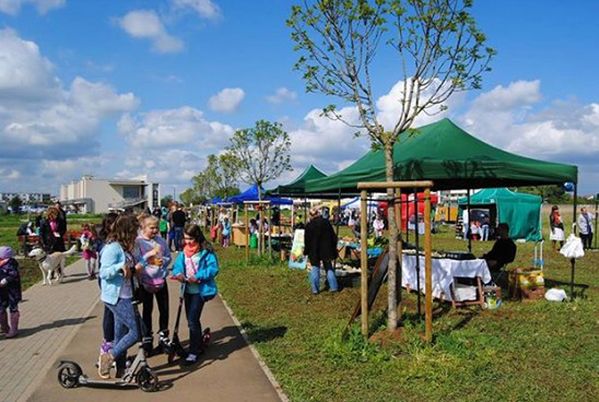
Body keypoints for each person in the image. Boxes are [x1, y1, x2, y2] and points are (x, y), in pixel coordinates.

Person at [98, 214, 140, 379]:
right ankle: (109, 357)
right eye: (134, 232)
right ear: (126, 232)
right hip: (116, 298)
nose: (136, 235)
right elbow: (103, 273)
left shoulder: (125, 248)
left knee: (120, 334)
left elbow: (131, 268)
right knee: (138, 331)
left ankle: (120, 370)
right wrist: (118, 267)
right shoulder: (112, 248)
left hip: (127, 294)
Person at [171, 224, 219, 365]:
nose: (188, 242)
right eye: (186, 238)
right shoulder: (183, 252)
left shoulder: (206, 252)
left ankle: (193, 351)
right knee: (191, 320)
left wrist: (199, 276)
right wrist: (178, 274)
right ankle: (197, 342)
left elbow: (213, 269)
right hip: (187, 290)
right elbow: (177, 266)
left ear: (197, 237)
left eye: (191, 238)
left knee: (192, 319)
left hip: (200, 291)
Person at [134, 215, 172, 354]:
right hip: (146, 280)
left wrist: (164, 260)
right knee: (147, 309)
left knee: (164, 308)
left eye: (156, 227)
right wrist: (149, 257)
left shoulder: (161, 240)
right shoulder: (138, 242)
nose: (155, 230)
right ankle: (147, 337)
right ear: (143, 228)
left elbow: (168, 256)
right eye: (152, 228)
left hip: (160, 279)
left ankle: (163, 335)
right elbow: (137, 260)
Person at [97, 213, 119, 358]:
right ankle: (108, 344)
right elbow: (104, 270)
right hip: (109, 280)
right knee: (111, 311)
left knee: (113, 312)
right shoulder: (108, 244)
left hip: (113, 280)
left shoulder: (112, 241)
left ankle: (113, 344)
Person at [304, 207, 339, 295]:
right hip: (326, 249)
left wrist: (306, 251)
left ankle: (315, 289)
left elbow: (307, 240)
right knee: (328, 267)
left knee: (315, 268)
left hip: (314, 250)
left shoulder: (309, 225)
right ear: (318, 214)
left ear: (311, 215)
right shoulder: (326, 223)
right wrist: (333, 247)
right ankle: (334, 287)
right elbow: (333, 237)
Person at [0, 246, 22, 338]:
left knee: (13, 308)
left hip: (12, 290)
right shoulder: (1, 263)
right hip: (1, 291)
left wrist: (5, 280)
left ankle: (14, 329)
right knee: (1, 308)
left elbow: (13, 274)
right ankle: (5, 328)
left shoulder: (11, 263)